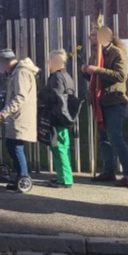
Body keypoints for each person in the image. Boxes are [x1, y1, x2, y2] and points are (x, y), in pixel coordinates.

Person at [83, 24, 128, 187]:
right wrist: (86, 71)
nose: (91, 37)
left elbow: (121, 76)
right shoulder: (96, 54)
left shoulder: (117, 52)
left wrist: (97, 70)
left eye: (94, 35)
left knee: (115, 137)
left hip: (114, 100)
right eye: (91, 35)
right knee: (104, 138)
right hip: (101, 101)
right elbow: (95, 79)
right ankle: (108, 170)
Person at [0, 49, 40, 190]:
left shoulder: (21, 72)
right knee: (12, 145)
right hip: (17, 116)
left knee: (16, 146)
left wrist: (5, 111)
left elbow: (20, 97)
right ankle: (18, 176)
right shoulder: (17, 72)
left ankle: (23, 176)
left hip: (20, 116)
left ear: (6, 62)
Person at [39, 50, 76, 188]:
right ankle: (63, 176)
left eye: (50, 60)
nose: (49, 63)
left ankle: (65, 179)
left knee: (59, 148)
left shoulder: (57, 77)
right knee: (62, 147)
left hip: (57, 116)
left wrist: (41, 93)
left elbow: (57, 96)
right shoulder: (67, 76)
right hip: (65, 116)